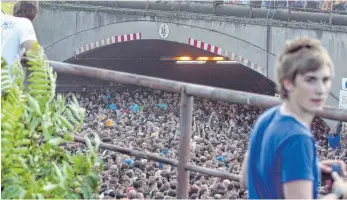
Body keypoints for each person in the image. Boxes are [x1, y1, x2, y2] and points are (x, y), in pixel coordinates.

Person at [240, 37, 347, 199]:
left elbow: (246, 180)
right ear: (288, 83)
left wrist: (309, 169)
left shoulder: (268, 118)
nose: (321, 89)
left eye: (325, 80)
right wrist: (339, 192)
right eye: (310, 80)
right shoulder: (298, 138)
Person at [1, 1, 38, 68]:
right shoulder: (25, 23)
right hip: (6, 76)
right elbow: (35, 54)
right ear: (34, 15)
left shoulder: (4, 20)